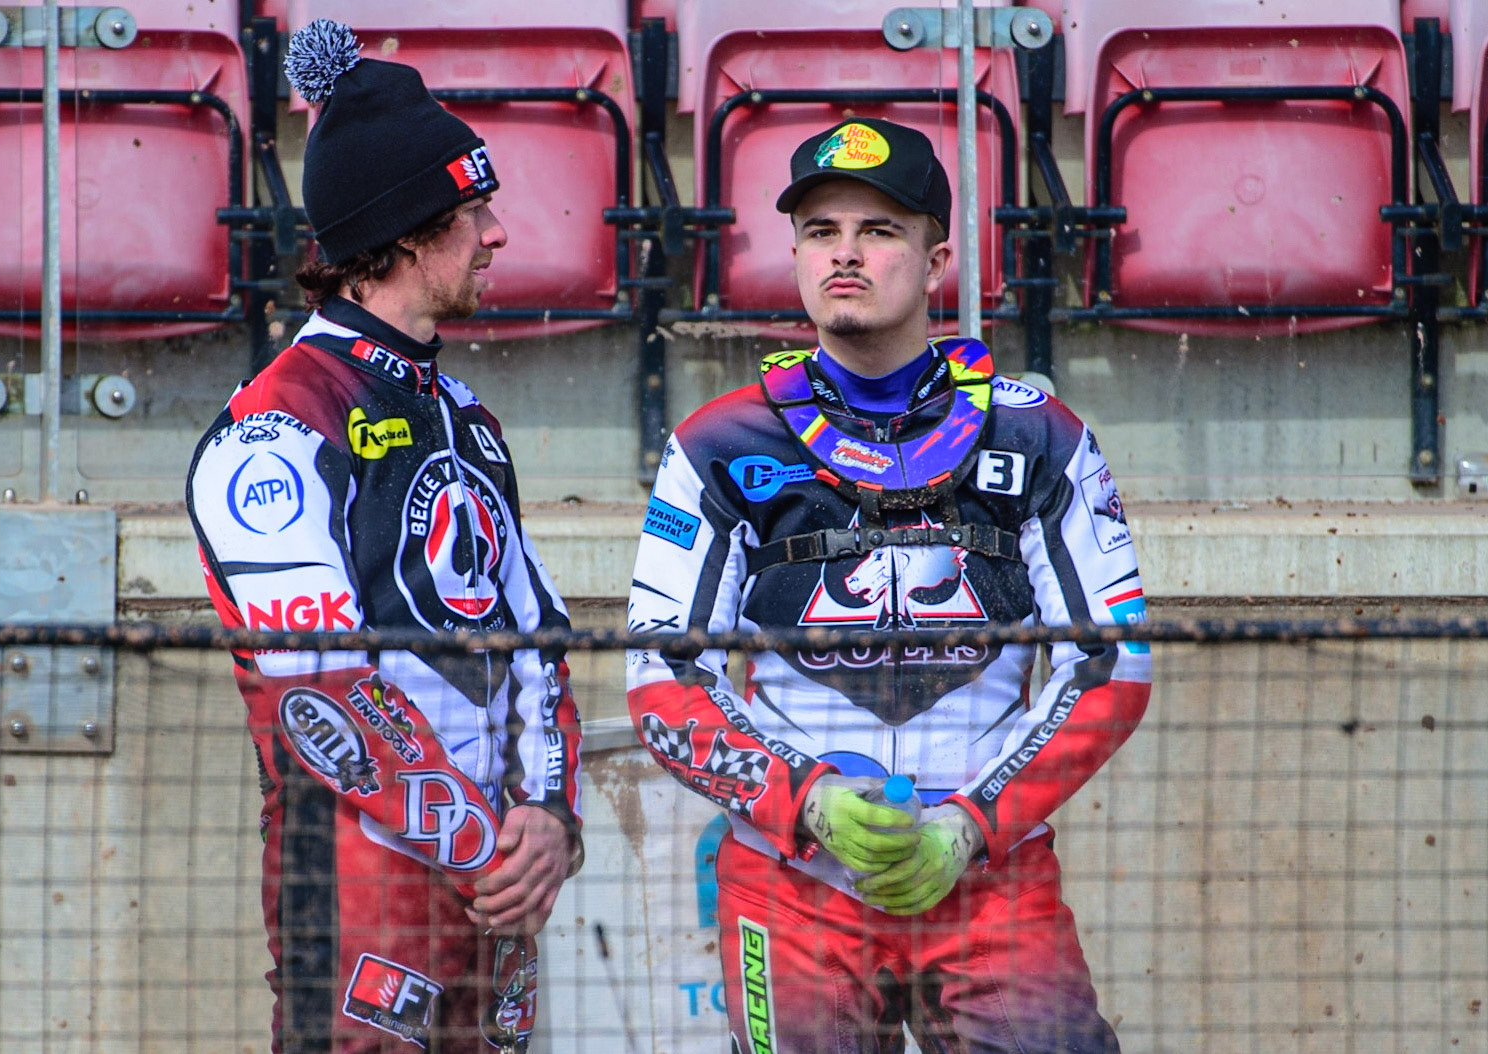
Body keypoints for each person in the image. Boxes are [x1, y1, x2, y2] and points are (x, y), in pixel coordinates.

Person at [625, 116, 1151, 1053]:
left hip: (988, 877)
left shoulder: (1041, 435)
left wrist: (971, 824)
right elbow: (662, 675)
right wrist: (805, 800)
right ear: (794, 254)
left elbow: (1112, 666)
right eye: (820, 231)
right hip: (790, 885)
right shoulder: (716, 442)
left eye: (878, 231)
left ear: (937, 259)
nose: (845, 254)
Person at [186, 20, 581, 1053]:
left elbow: (539, 640)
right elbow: (320, 686)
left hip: (495, 894)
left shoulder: (468, 417)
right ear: (407, 233)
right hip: (369, 889)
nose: (497, 233)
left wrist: (550, 818)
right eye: (474, 212)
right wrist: (486, 845)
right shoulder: (277, 425)